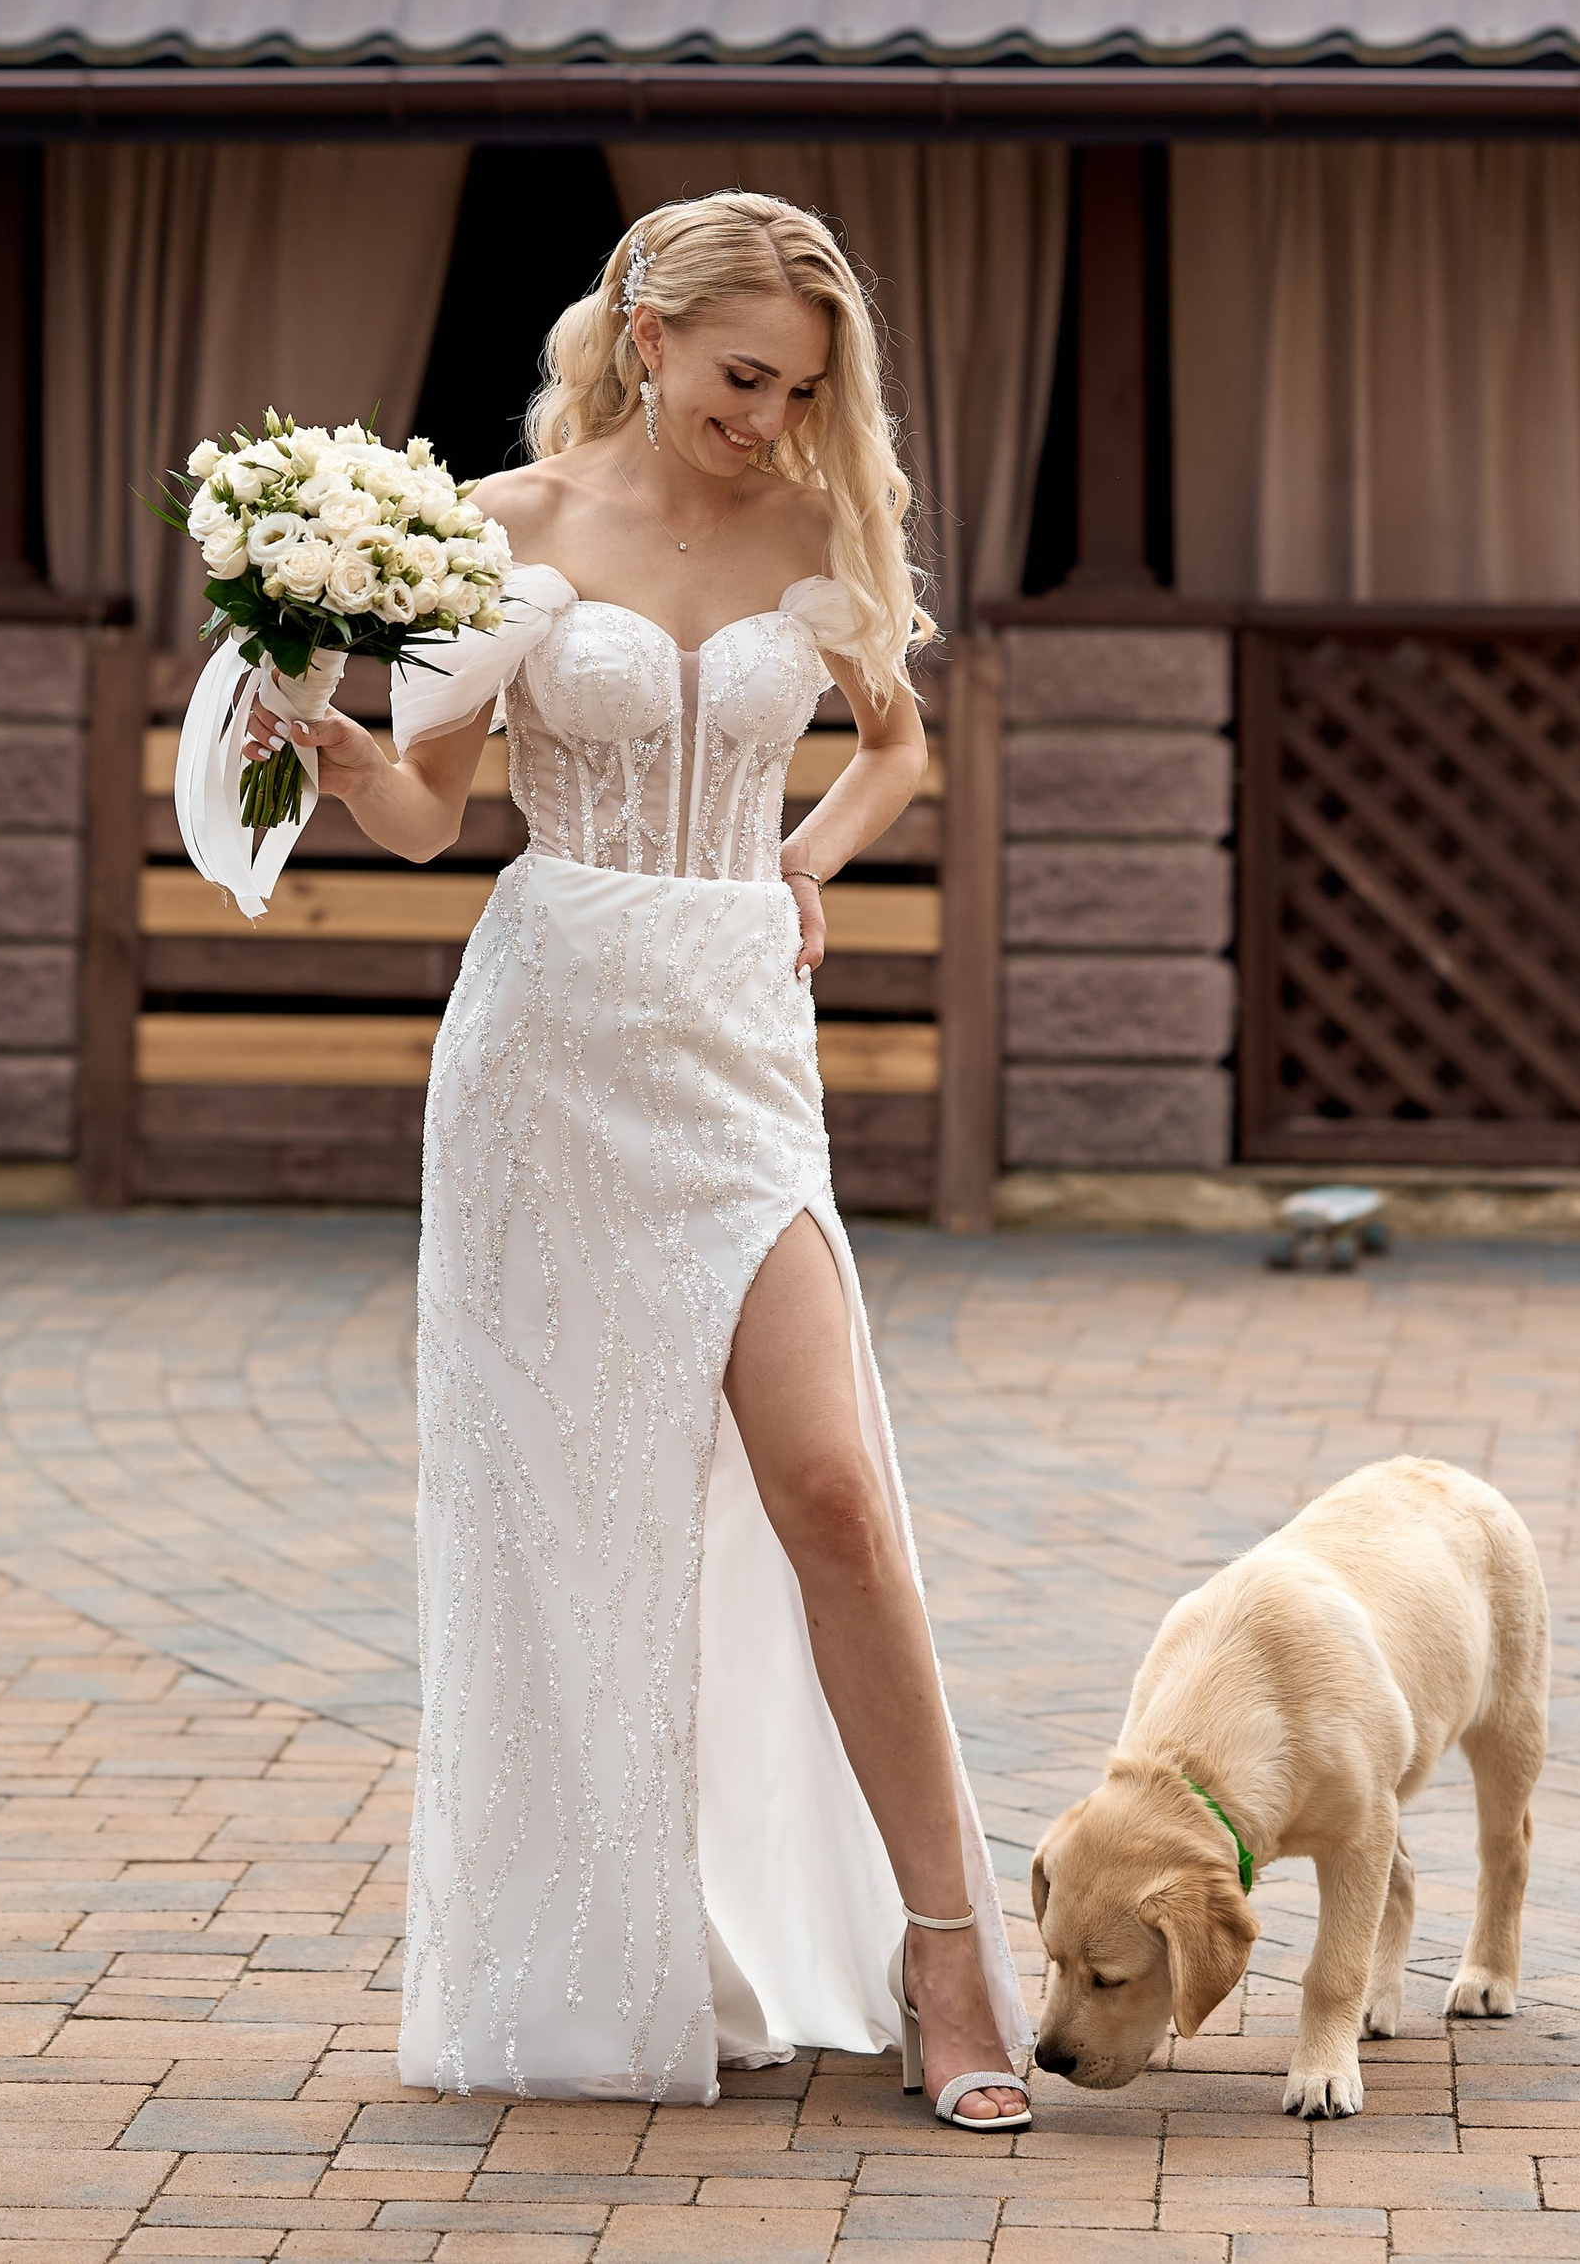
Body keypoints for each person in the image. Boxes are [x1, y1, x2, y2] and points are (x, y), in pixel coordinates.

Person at [244, 194, 1032, 2120]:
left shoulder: (818, 532)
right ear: (646, 329)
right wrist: (352, 764)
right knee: (568, 1525)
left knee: (833, 1493)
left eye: (800, 390)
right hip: (545, 1049)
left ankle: (946, 1962)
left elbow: (897, 746)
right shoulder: (497, 532)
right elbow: (437, 816)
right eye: (742, 376)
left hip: (736, 1044)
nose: (767, 419)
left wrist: (806, 860)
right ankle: (607, 1957)